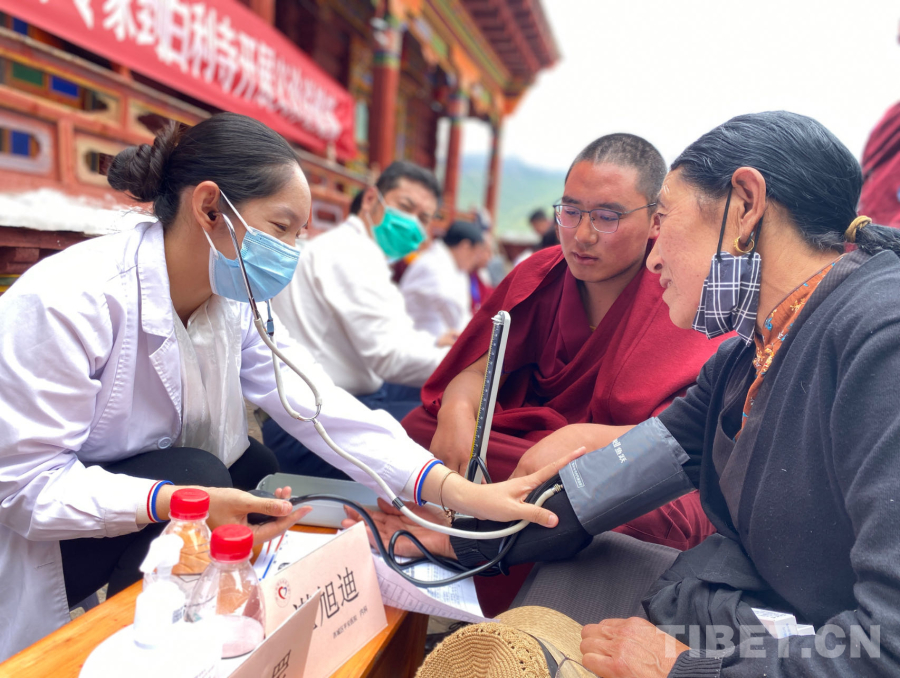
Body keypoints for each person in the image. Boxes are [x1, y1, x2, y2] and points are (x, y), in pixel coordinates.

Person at [0, 113, 588, 661]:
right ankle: (152, 650)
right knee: (200, 473)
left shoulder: (233, 302)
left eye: (297, 234)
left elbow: (317, 405)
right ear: (210, 207)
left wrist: (454, 491)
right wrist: (179, 501)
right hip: (47, 533)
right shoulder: (69, 300)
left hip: (142, 493)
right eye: (279, 228)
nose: (289, 253)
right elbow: (25, 489)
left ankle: (191, 637)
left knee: (249, 466)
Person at [406, 111, 900, 677]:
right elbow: (610, 483)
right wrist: (459, 540)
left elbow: (887, 647)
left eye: (663, 220)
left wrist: (685, 669)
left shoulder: (881, 339)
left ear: (746, 205)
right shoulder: (744, 360)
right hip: (753, 613)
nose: (654, 254)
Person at [390, 134, 728, 614]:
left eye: (607, 217)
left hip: (631, 457)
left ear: (655, 220)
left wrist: (583, 440)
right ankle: (478, 528)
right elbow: (477, 368)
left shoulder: (679, 285)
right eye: (570, 212)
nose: (582, 235)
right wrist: (459, 411)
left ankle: (467, 537)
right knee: (417, 429)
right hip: (530, 446)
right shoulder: (541, 273)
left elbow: (693, 436)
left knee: (654, 513)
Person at [400, 220, 484, 339]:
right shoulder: (432, 264)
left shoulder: (457, 268)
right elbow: (453, 309)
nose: (477, 260)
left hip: (435, 339)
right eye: (477, 254)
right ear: (465, 247)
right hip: (415, 338)